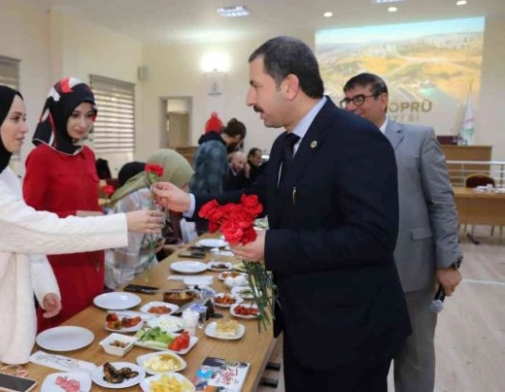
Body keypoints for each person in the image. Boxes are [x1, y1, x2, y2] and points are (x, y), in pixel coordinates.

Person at [153, 36, 411, 392]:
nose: (249, 99)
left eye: (256, 86)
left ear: (289, 86)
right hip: (306, 321)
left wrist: (273, 246)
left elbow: (373, 238)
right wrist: (192, 203)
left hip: (350, 330)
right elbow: (256, 197)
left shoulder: (356, 139)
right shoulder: (286, 141)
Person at [0, 85, 163, 379]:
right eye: (15, 118)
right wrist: (122, 223)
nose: (25, 128)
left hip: (7, 310)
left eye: (25, 118)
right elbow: (35, 228)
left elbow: (24, 232)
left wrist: (44, 286)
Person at [342, 73, 463, 392]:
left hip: (413, 269)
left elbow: (441, 201)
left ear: (383, 100)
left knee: (415, 357)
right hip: (361, 272)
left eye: (359, 99)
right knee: (366, 358)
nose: (352, 107)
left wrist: (448, 262)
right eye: (347, 100)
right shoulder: (344, 145)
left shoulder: (418, 137)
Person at [22, 77, 110, 330]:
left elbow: (90, 203)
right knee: (63, 333)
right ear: (59, 113)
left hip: (91, 255)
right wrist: (78, 216)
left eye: (89, 115)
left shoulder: (87, 155)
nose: (83, 124)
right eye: (75, 115)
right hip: (61, 260)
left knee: (92, 326)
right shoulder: (41, 157)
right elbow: (29, 217)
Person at [104, 149, 194, 289]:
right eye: (183, 185)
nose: (187, 190)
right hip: (124, 282)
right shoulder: (138, 203)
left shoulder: (158, 197)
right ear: (168, 181)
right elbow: (125, 264)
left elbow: (147, 246)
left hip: (144, 275)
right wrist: (127, 296)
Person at [189, 117, 246, 196]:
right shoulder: (217, 148)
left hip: (196, 192)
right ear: (237, 137)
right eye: (240, 143)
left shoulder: (207, 142)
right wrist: (219, 201)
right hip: (204, 196)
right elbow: (214, 181)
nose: (238, 146)